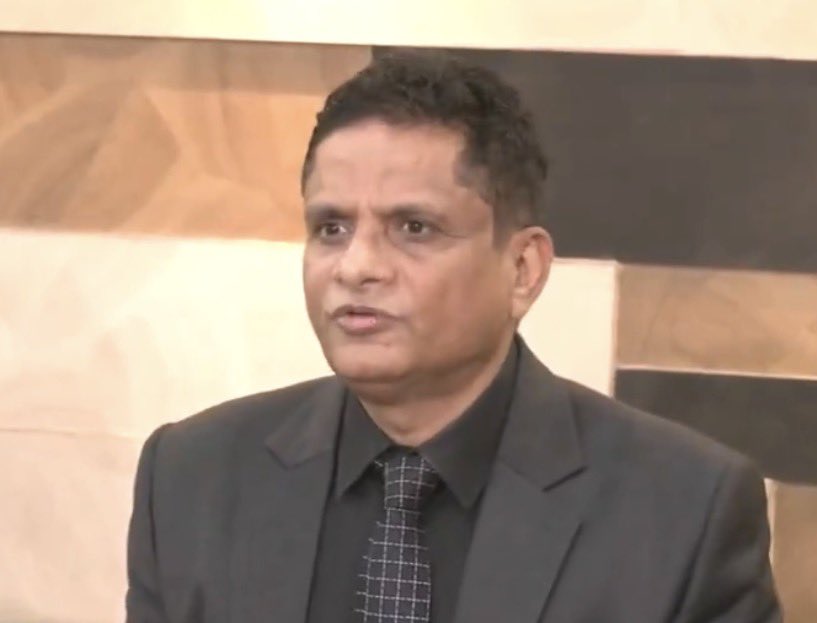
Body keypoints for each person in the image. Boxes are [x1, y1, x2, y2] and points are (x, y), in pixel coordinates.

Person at [126, 51, 781, 623]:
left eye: (413, 228)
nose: (356, 266)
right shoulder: (191, 477)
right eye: (331, 228)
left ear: (522, 269)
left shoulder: (684, 510)